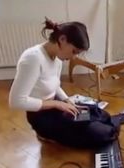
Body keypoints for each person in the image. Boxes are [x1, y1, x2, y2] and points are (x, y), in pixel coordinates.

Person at [9, 18, 117, 148]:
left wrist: (67, 100)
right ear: (62, 39)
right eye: (74, 51)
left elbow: (55, 85)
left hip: (56, 107)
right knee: (103, 133)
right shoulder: (32, 58)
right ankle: (45, 134)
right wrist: (57, 104)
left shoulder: (57, 58)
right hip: (40, 117)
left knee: (102, 114)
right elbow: (15, 101)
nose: (73, 57)